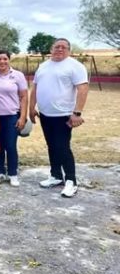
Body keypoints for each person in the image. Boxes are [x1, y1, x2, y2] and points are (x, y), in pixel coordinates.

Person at [29, 38, 89, 198]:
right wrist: (31, 108)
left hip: (64, 115)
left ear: (69, 50)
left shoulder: (75, 66)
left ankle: (71, 180)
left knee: (62, 147)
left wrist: (77, 113)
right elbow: (35, 88)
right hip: (45, 114)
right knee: (51, 146)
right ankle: (56, 176)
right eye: (57, 46)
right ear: (51, 48)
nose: (60, 49)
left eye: (64, 47)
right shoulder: (43, 66)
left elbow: (82, 89)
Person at [0, 50, 28, 187]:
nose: (2, 61)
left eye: (5, 59)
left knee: (10, 145)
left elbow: (24, 97)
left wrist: (22, 117)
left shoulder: (18, 76)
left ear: (9, 60)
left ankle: (13, 173)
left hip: (11, 115)